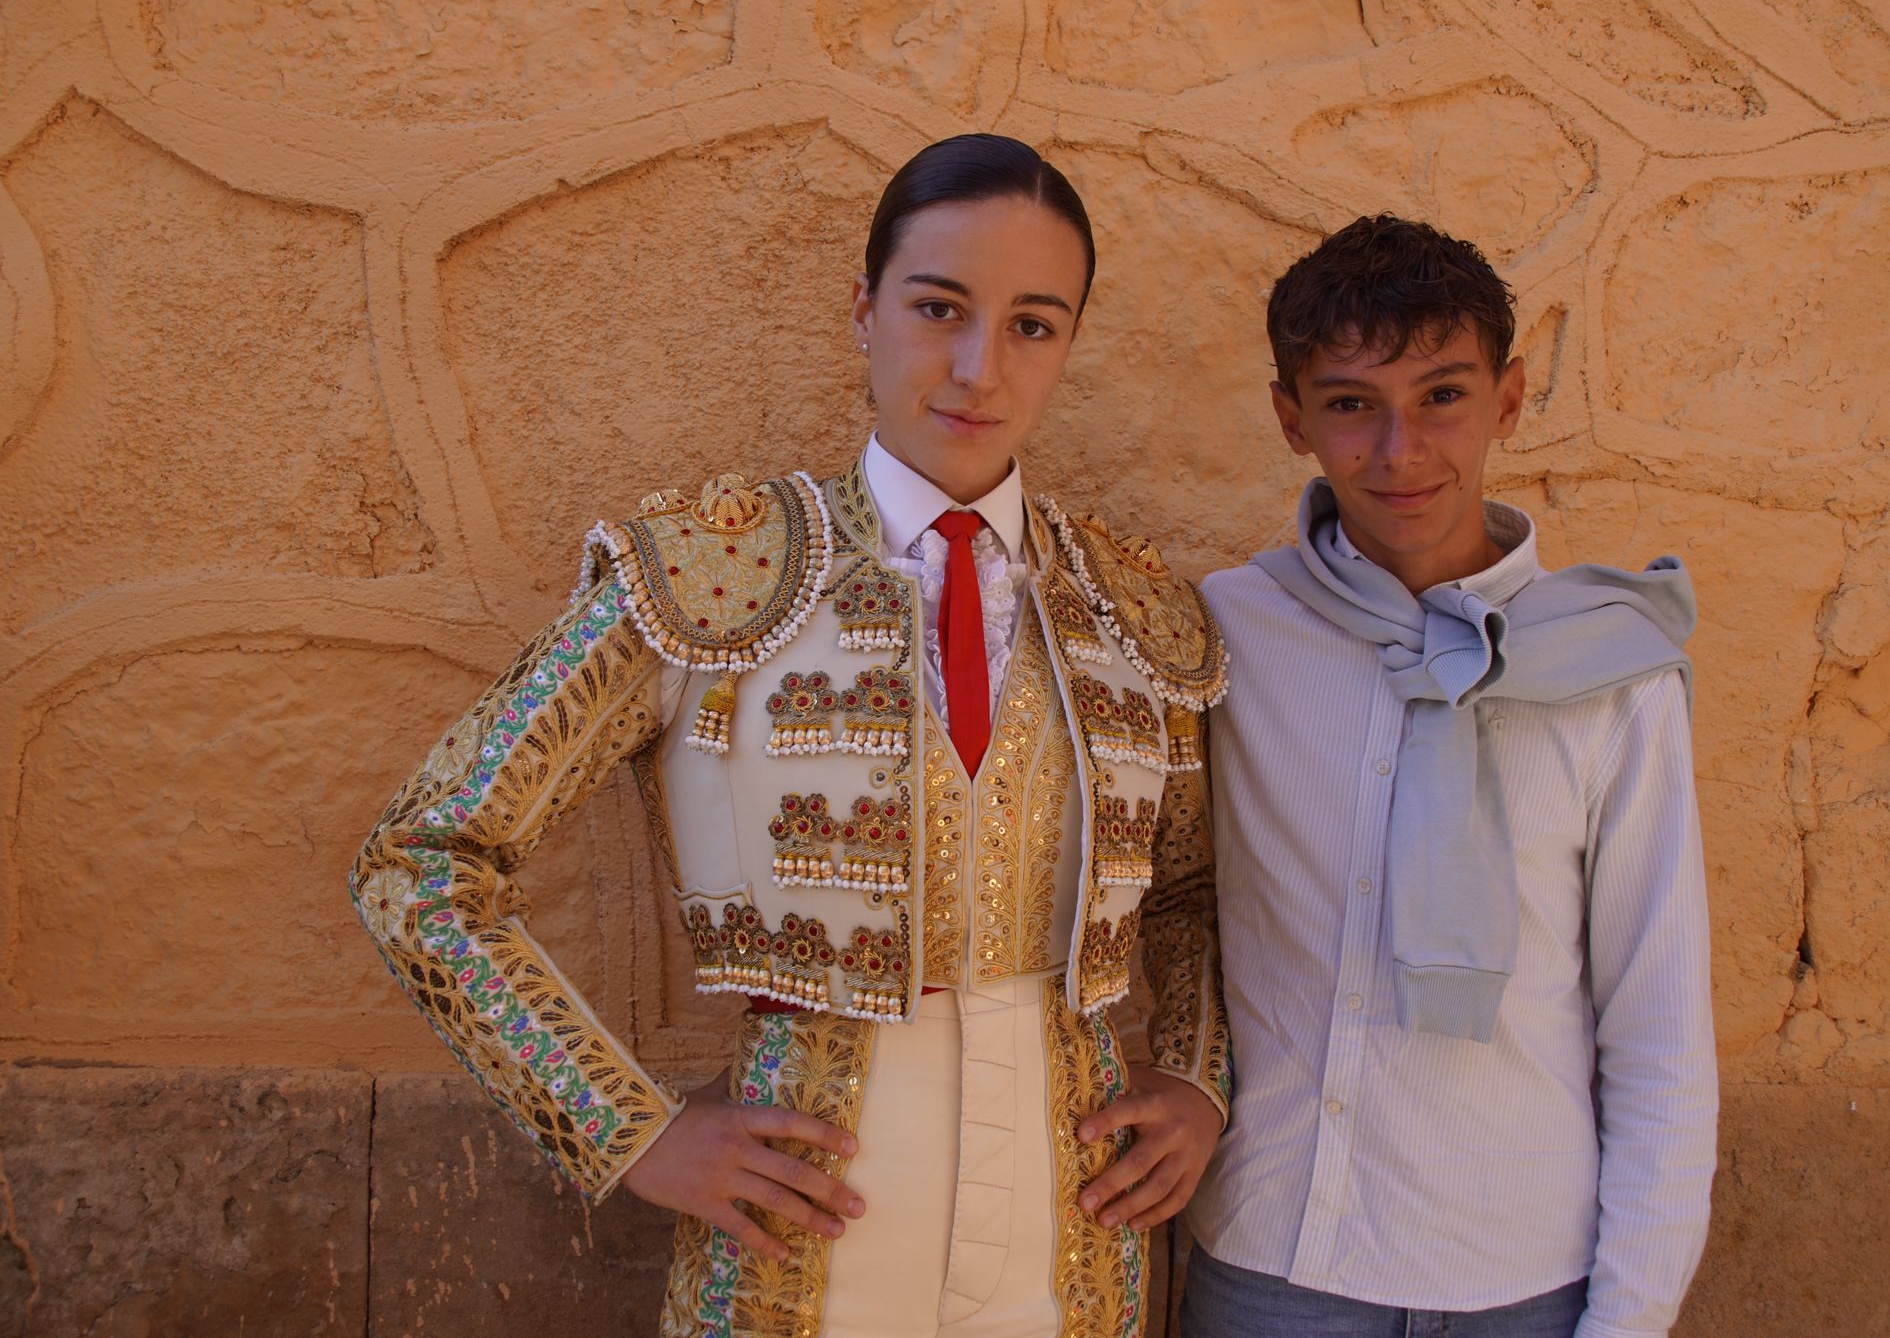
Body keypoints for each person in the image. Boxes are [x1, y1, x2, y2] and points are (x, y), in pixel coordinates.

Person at [349, 134, 1231, 1338]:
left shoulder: (1128, 605)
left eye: (1032, 324)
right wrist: (624, 1126)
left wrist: (1193, 1079)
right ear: (862, 311)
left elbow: (1185, 891)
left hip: (1070, 1214)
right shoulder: (716, 571)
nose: (978, 366)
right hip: (806, 1208)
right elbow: (423, 861)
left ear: (1067, 343)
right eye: (937, 307)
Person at [1182, 214, 1716, 1338]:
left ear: (1508, 399)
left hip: (1523, 1280)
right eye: (1348, 404)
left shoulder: (1614, 676)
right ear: (1291, 419)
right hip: (1276, 1268)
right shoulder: (1224, 633)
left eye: (1440, 396)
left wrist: (1624, 1321)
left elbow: (1658, 1028)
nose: (1398, 450)